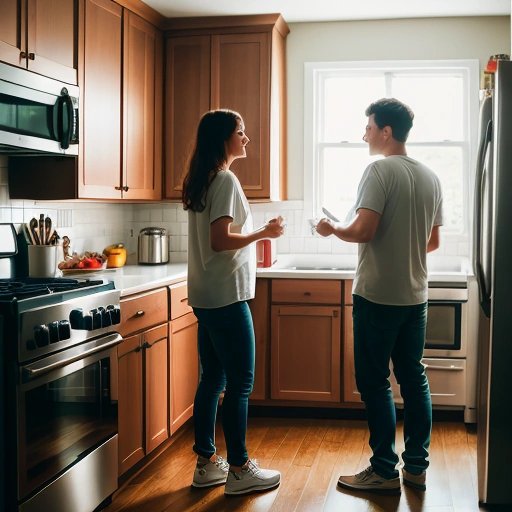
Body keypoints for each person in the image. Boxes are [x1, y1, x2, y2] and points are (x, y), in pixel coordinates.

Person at [316, 98, 443, 494]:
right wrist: (401, 248)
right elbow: (433, 242)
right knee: (414, 378)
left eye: (369, 127)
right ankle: (417, 468)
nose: (364, 134)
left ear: (386, 131)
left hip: (377, 297)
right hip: (415, 296)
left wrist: (332, 227)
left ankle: (384, 470)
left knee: (374, 382)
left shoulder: (378, 170)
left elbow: (364, 230)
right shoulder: (430, 176)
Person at [182, 109, 284, 496]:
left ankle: (207, 463)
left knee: (212, 379)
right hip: (226, 296)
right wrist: (264, 233)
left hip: (207, 295)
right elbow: (220, 240)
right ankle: (239, 469)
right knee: (240, 382)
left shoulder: (203, 179)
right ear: (223, 138)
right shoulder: (224, 179)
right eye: (241, 132)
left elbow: (216, 239)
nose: (246, 139)